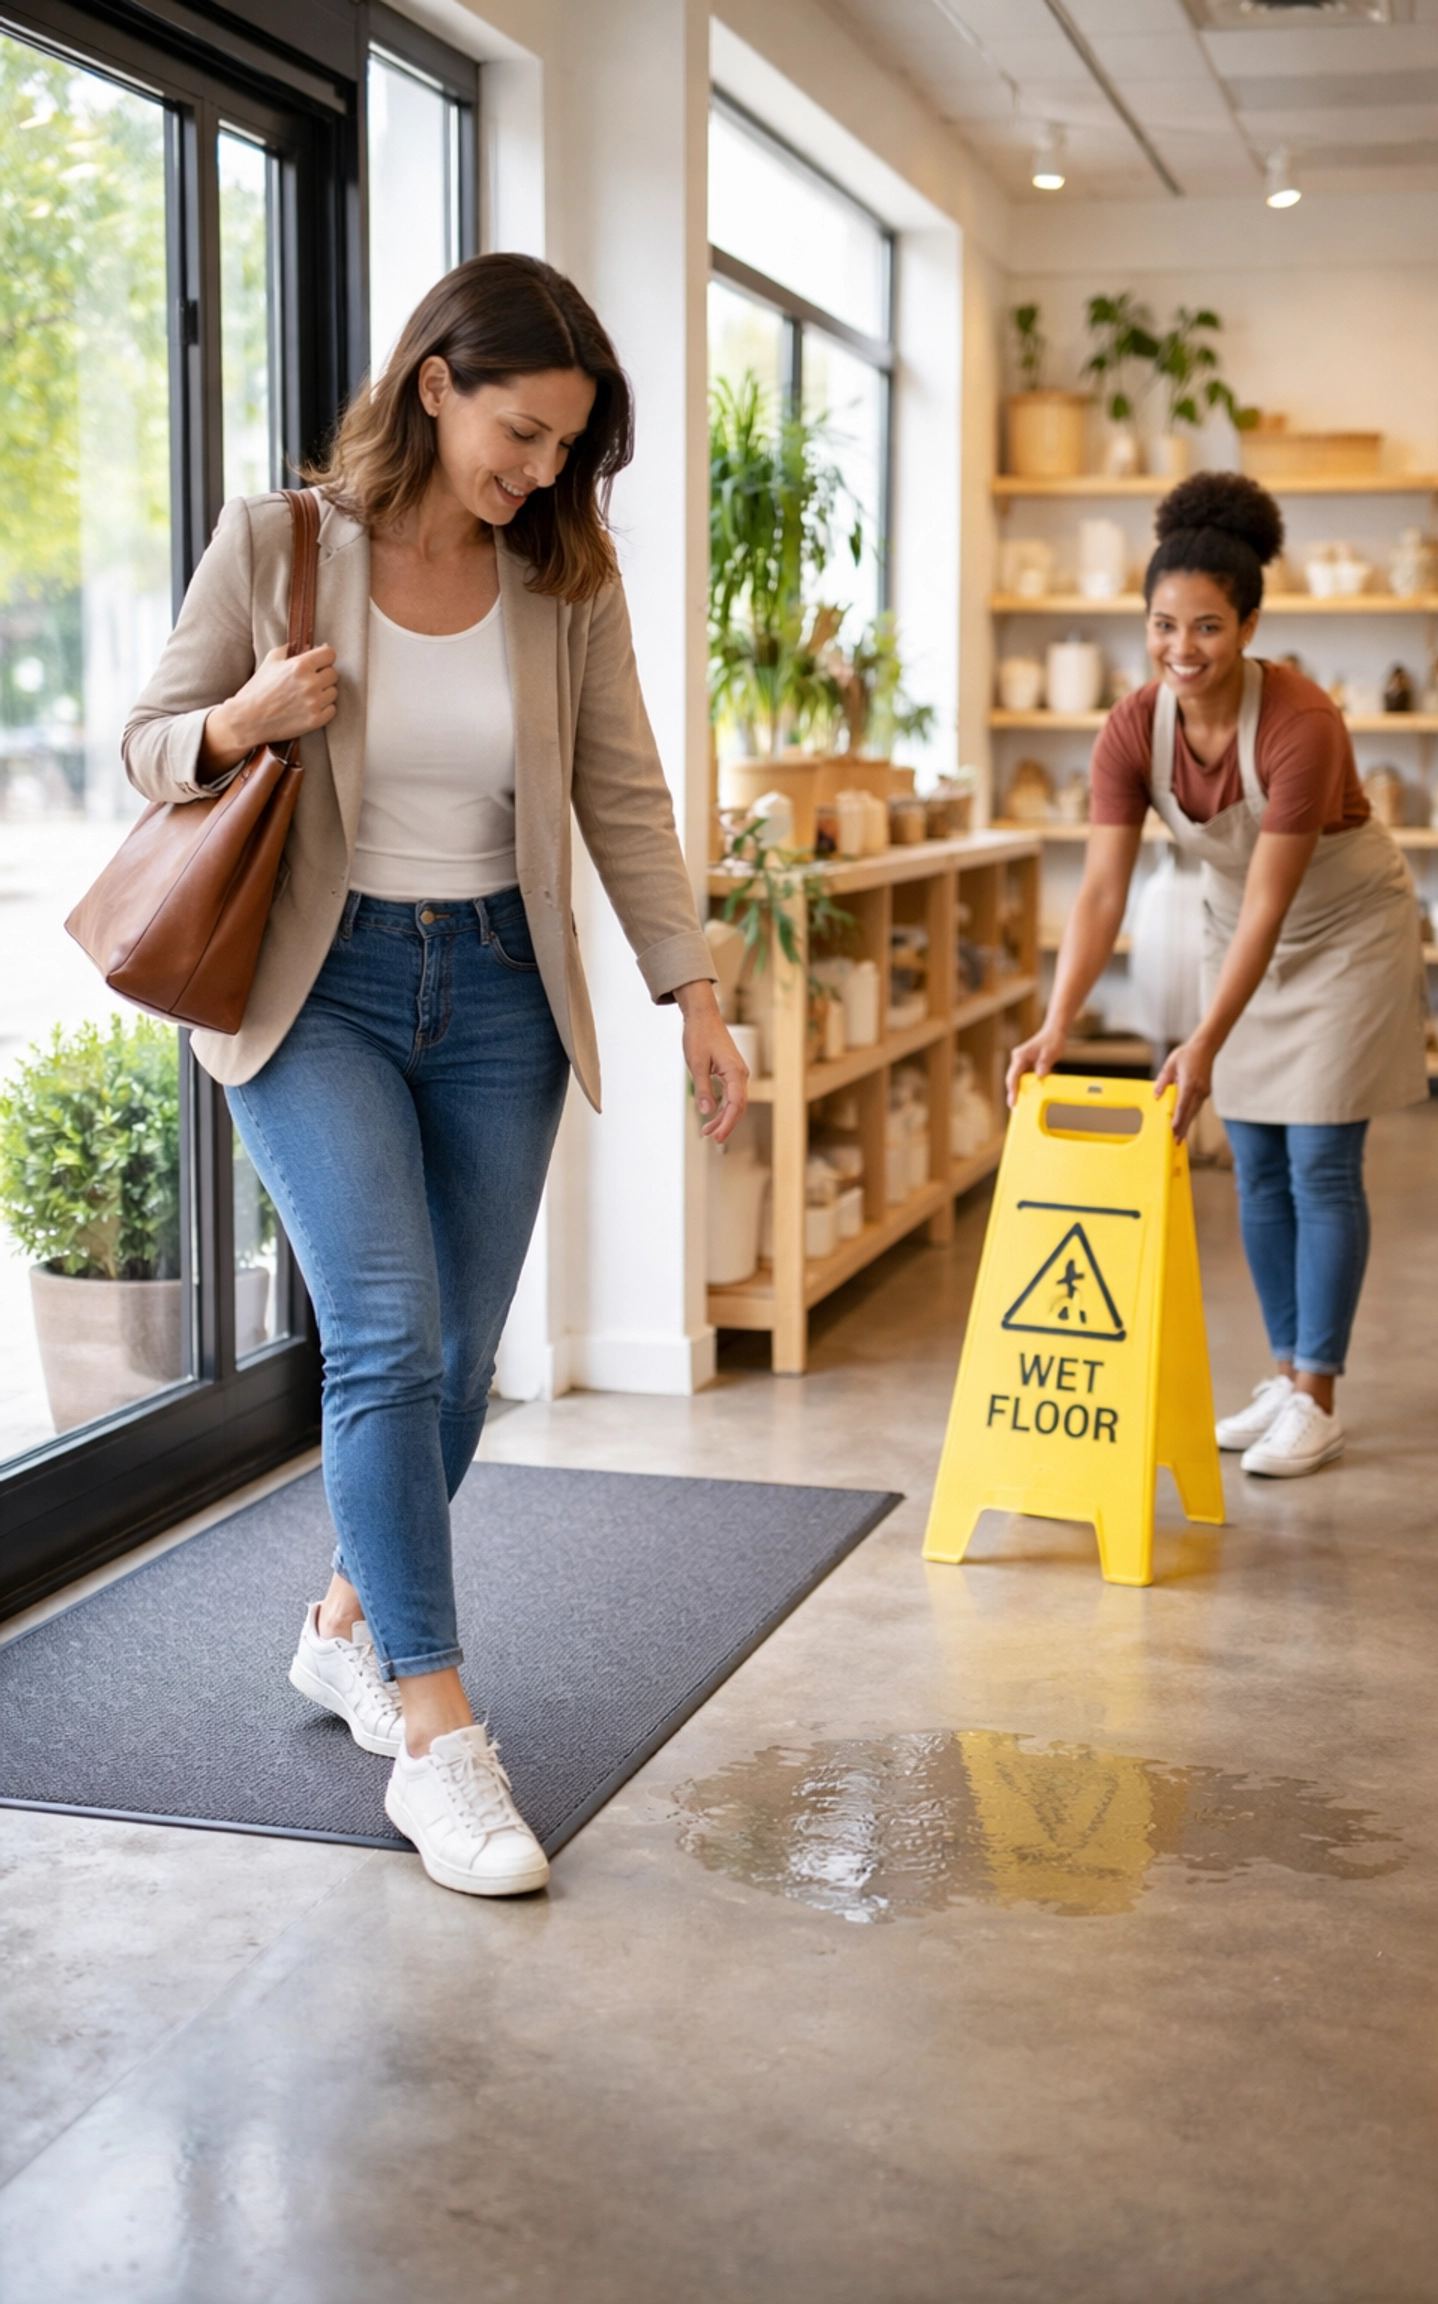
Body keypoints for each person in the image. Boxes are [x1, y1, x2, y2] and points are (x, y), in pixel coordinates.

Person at [124, 254, 747, 1896]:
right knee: (389, 1333)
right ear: (434, 385)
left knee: (463, 1361)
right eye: (522, 432)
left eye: (565, 447)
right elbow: (144, 742)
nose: (540, 471)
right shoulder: (281, 544)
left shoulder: (563, 580)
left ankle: (344, 1621)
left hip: (493, 995)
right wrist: (245, 715)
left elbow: (624, 794)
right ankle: (437, 1730)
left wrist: (691, 989)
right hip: (311, 987)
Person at [1007, 472, 1425, 1481]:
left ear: (1247, 626)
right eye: (1162, 627)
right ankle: (1284, 1379)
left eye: (1206, 628)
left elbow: (1279, 905)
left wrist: (1202, 1039)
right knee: (1255, 1159)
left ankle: (1318, 1393)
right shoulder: (1130, 727)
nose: (1181, 650)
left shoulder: (1301, 722)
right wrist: (1057, 1022)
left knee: (1318, 1159)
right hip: (1235, 930)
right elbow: (1102, 894)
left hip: (1344, 933)